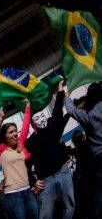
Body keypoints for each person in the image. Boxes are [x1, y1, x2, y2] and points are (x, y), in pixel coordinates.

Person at [26, 78, 75, 219]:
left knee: (70, 205)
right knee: (45, 214)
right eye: (37, 119)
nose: (42, 120)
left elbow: (58, 108)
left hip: (63, 172)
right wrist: (33, 181)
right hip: (45, 180)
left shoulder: (52, 126)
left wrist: (59, 87)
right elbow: (26, 165)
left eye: (43, 116)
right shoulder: (30, 143)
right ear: (32, 125)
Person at [0, 99, 38, 219]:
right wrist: (0, 118)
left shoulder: (20, 146)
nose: (15, 134)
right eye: (11, 132)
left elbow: (26, 125)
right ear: (4, 136)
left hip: (28, 192)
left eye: (16, 131)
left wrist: (27, 105)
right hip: (13, 197)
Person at [64, 81, 102, 218]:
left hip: (98, 158)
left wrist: (66, 96)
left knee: (98, 195)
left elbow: (72, 110)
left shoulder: (87, 114)